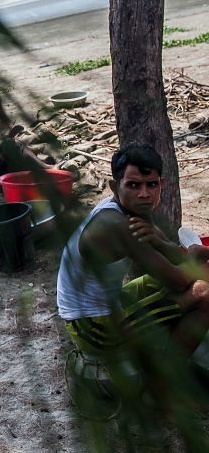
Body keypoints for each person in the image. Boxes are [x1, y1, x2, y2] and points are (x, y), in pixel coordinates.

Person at [56, 143, 209, 360]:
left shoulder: (131, 209)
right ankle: (164, 383)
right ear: (114, 186)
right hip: (93, 327)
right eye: (134, 185)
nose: (144, 194)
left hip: (111, 303)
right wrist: (193, 259)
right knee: (204, 293)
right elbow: (179, 281)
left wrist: (161, 243)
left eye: (151, 185)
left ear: (161, 184)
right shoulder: (115, 223)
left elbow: (172, 256)